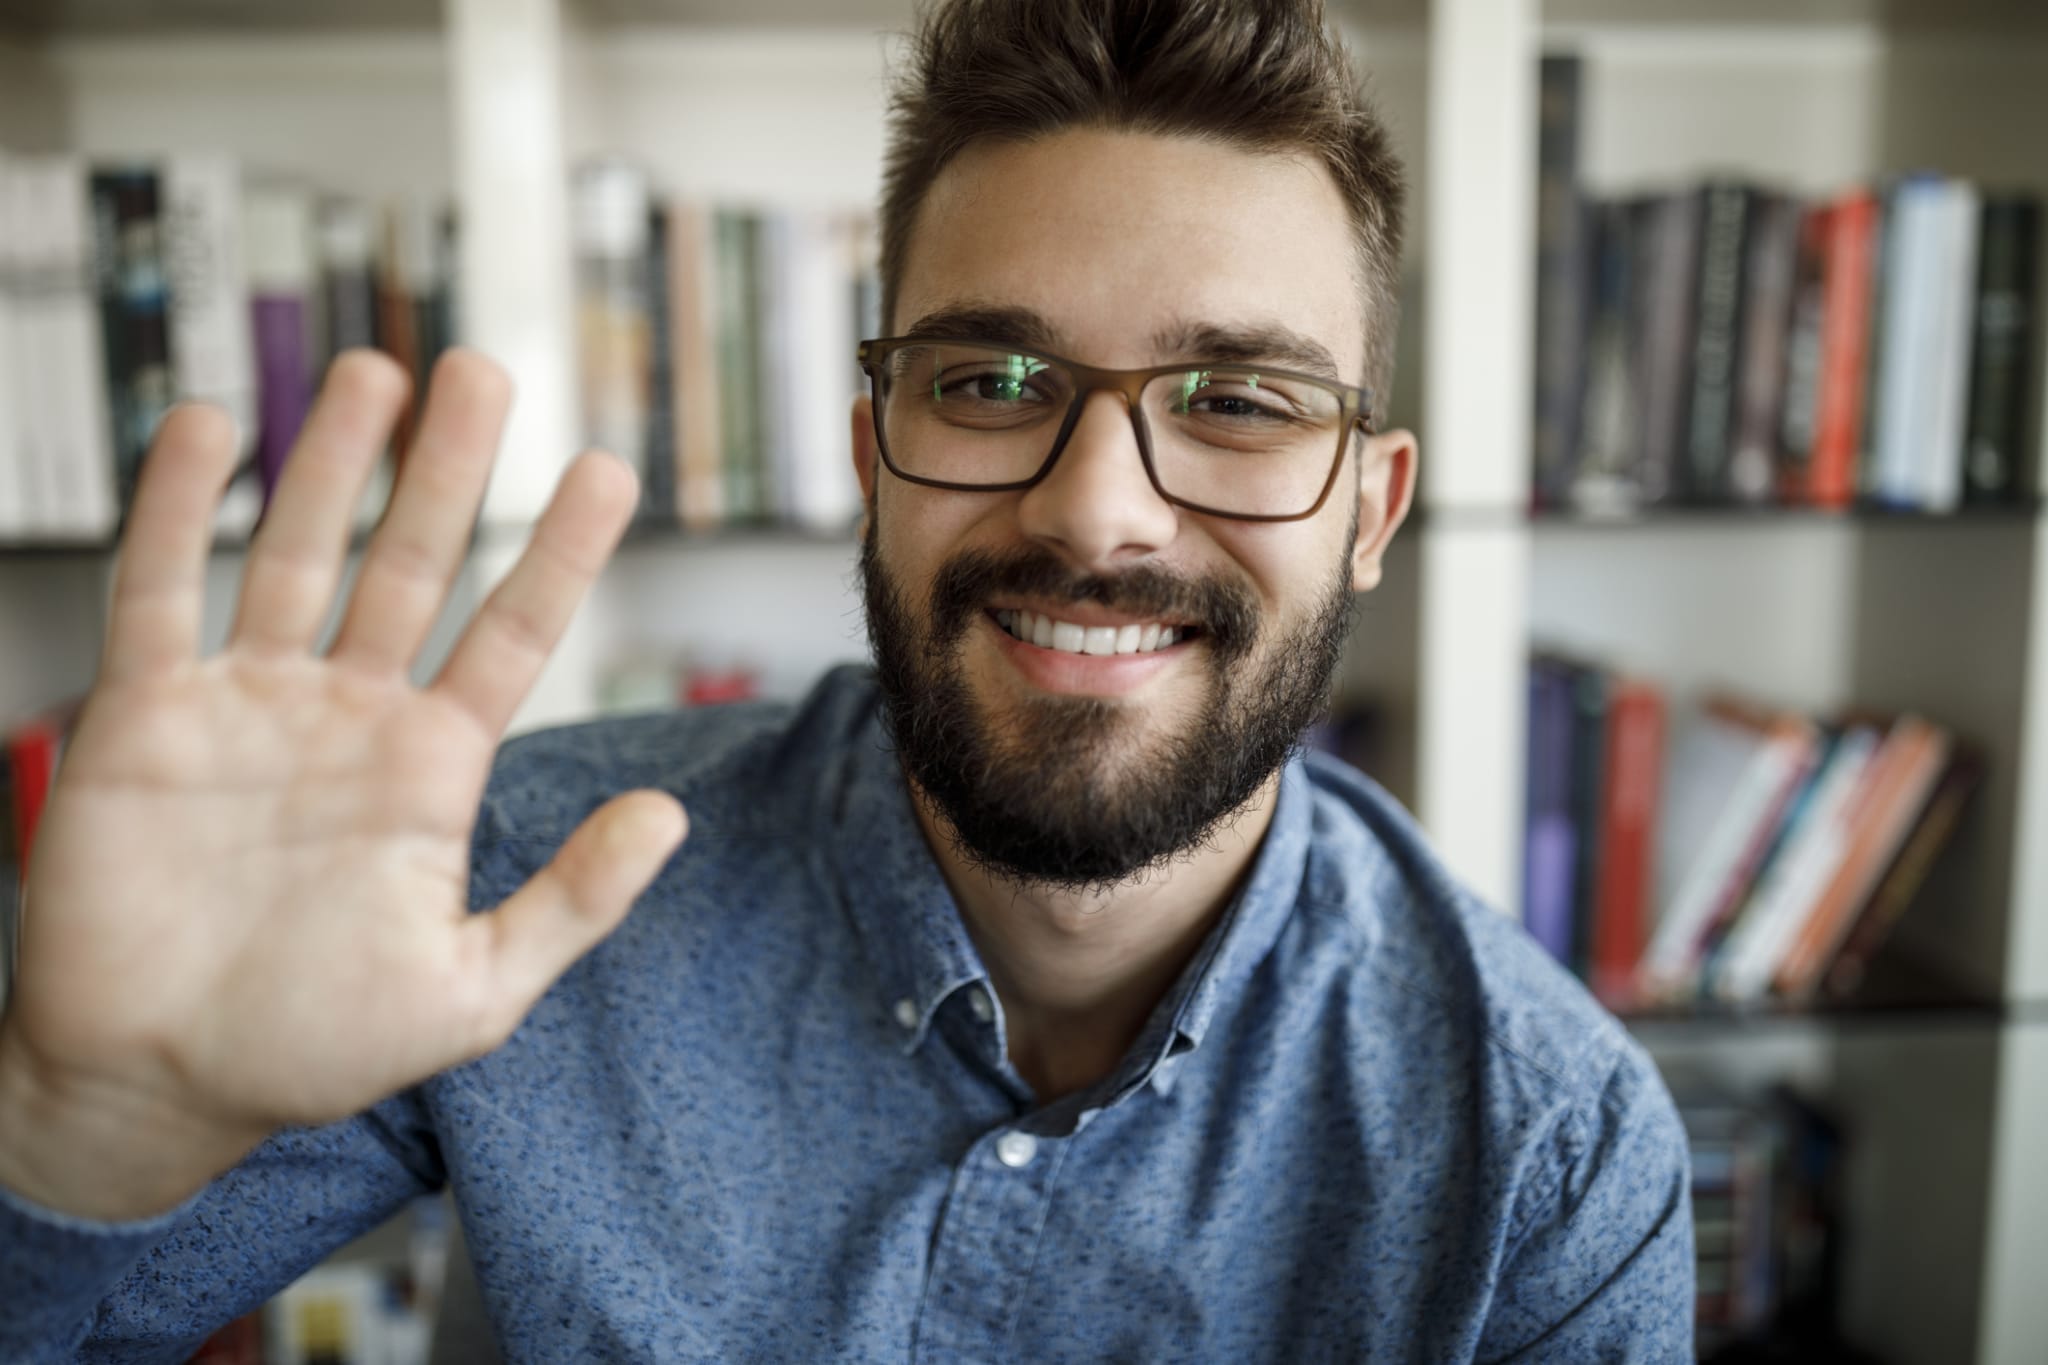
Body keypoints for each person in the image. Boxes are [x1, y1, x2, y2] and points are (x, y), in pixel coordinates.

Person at [0, 0, 1694, 1359]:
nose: (1097, 507)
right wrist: (70, 1142)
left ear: (1371, 511)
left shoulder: (1548, 1158)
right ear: (875, 449)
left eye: (1238, 401)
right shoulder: (513, 886)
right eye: (991, 377)